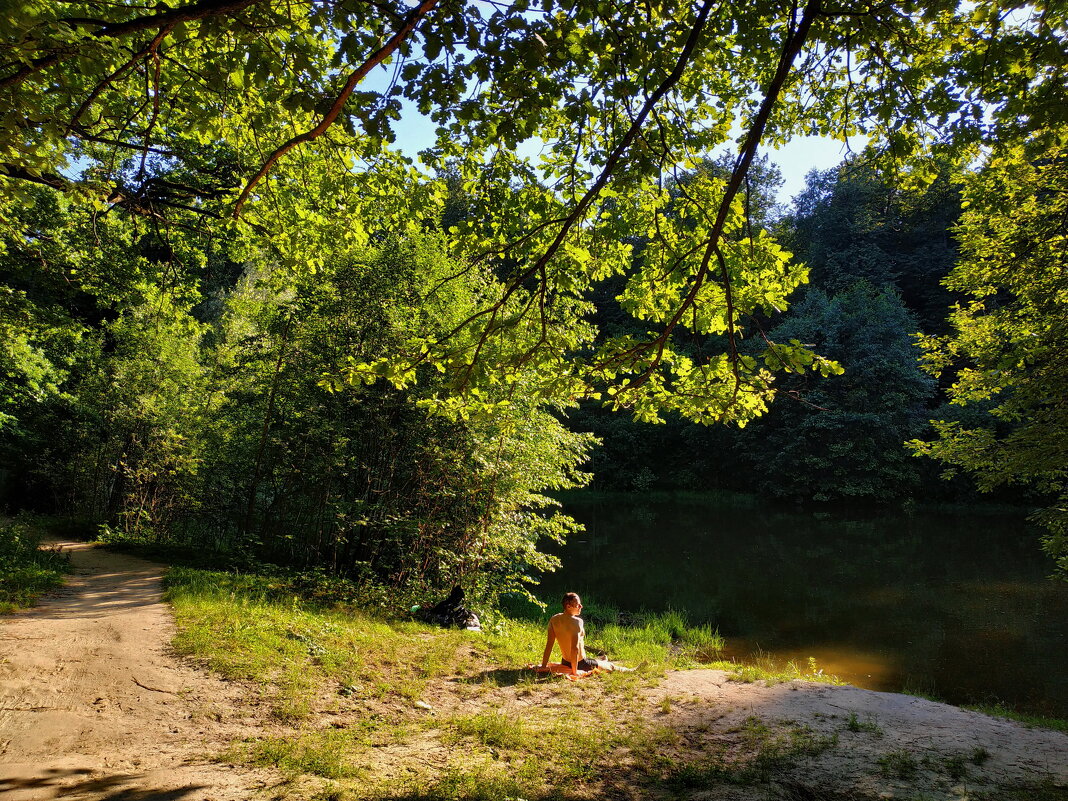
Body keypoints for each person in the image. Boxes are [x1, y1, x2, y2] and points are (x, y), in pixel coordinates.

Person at [536, 592, 630, 677]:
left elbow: (549, 644)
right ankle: (632, 670)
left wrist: (543, 666)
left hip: (565, 662)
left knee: (599, 661)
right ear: (568, 606)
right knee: (612, 666)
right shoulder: (577, 622)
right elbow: (574, 648)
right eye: (578, 605)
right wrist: (575, 671)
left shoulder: (554, 619)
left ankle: (602, 661)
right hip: (581, 663)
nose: (581, 606)